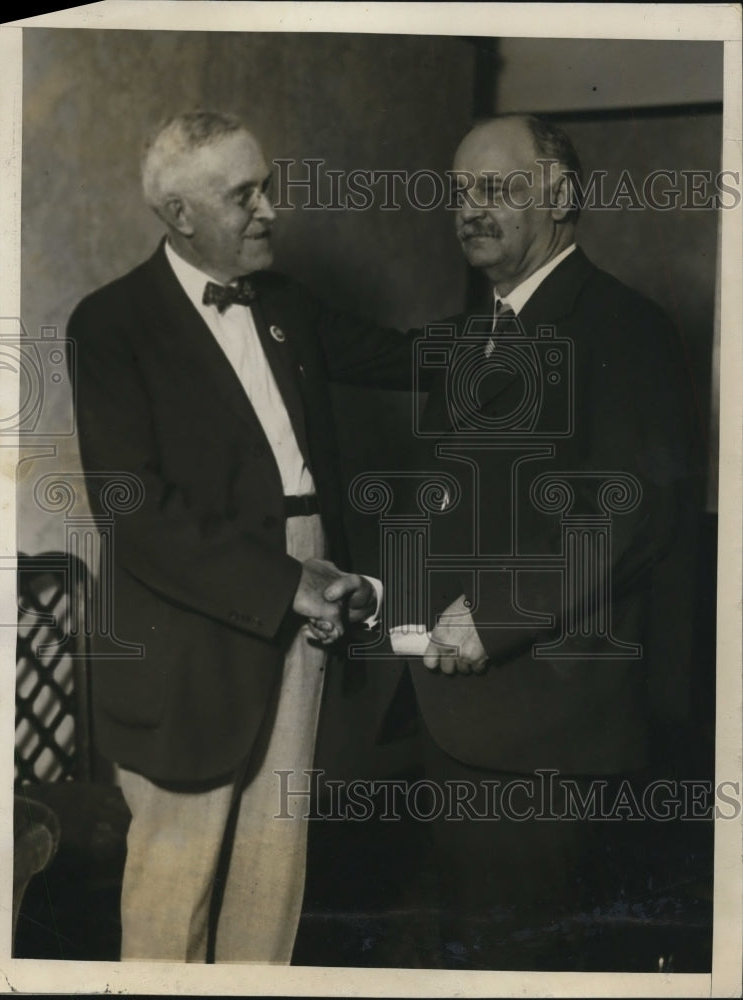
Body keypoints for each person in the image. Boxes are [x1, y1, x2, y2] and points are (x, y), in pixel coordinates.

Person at [68, 110, 417, 964]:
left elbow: (407, 357)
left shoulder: (289, 303)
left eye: (268, 186)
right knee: (171, 896)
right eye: (243, 195)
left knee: (275, 868)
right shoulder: (110, 325)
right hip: (191, 631)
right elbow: (133, 512)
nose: (270, 209)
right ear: (181, 216)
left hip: (315, 593)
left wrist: (529, 333)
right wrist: (285, 585)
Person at [388, 114, 704, 968]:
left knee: (522, 965)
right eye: (459, 192)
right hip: (452, 719)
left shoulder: (625, 328)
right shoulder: (465, 336)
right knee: (469, 951)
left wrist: (494, 617)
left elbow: (631, 513)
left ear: (560, 194)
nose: (469, 209)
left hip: (544, 732)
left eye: (494, 186)